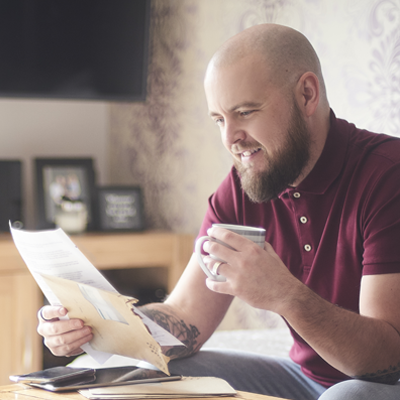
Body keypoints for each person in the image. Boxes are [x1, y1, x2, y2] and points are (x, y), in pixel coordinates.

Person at [37, 24, 400, 399]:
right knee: (134, 373)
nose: (230, 138)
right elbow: (187, 315)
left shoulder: (388, 176)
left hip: (378, 385)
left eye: (245, 112)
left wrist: (286, 295)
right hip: (302, 380)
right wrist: (98, 327)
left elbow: (386, 360)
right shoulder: (249, 184)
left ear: (307, 95)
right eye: (219, 120)